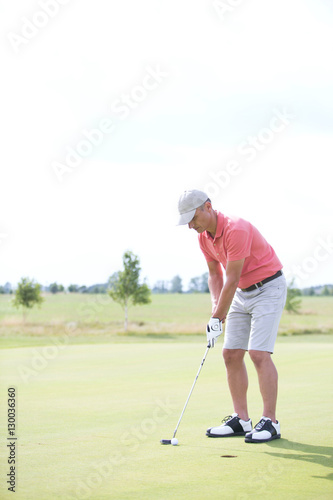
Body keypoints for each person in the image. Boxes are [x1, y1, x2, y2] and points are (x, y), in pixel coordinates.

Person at [177, 189, 287, 443]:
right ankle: (242, 419)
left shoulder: (236, 229)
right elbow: (215, 275)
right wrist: (215, 312)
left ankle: (270, 421)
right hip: (240, 292)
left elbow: (232, 276)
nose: (191, 226)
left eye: (193, 219)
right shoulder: (204, 238)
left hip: (268, 287)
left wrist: (218, 316)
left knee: (259, 353)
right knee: (231, 353)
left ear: (207, 206)